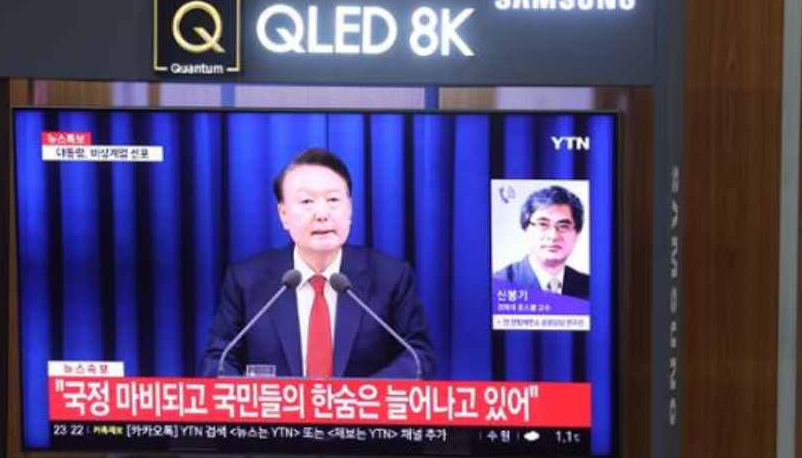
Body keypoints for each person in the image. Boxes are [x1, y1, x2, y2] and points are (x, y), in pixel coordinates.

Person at [200, 148, 435, 379]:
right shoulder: (246, 280)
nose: (322, 213)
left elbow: (419, 357)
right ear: (283, 214)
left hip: (359, 414)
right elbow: (218, 361)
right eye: (306, 201)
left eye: (333, 199)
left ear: (350, 208)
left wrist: (358, 398)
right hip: (274, 416)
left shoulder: (390, 277)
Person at [493, 184, 590, 300]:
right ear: (526, 229)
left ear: (577, 234)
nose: (553, 236)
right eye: (543, 224)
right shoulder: (499, 283)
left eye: (563, 226)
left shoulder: (590, 287)